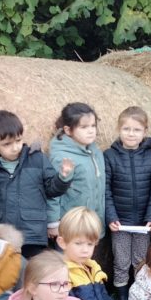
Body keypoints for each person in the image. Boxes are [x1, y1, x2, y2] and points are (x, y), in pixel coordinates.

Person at [0, 109, 74, 259]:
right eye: (7, 144)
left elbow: (51, 190)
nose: (15, 147)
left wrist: (63, 178)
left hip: (33, 236)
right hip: (3, 237)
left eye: (18, 140)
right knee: (9, 278)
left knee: (34, 276)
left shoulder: (37, 159)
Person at [104, 106, 151, 300]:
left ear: (144, 132)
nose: (131, 134)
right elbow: (106, 190)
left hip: (142, 224)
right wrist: (111, 216)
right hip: (119, 223)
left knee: (140, 261)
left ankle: (139, 297)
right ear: (119, 130)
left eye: (136, 130)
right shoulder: (109, 156)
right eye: (126, 129)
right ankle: (122, 299)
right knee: (121, 261)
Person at [47, 102, 106, 241]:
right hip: (71, 226)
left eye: (93, 126)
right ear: (68, 130)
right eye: (84, 127)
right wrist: (53, 222)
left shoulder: (95, 152)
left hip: (92, 223)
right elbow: (53, 192)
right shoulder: (63, 157)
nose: (91, 130)